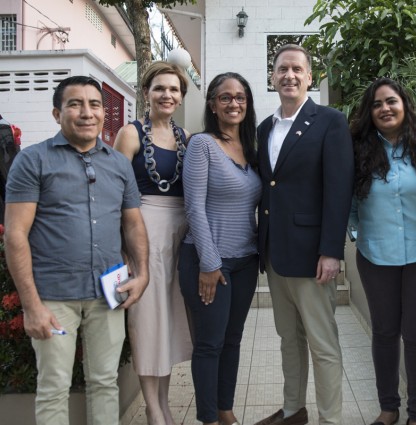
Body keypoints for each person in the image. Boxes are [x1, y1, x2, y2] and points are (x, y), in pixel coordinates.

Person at [4, 75, 149, 425]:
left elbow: (132, 224)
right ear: (57, 113)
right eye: (75, 104)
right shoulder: (33, 161)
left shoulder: (118, 165)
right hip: (53, 296)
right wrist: (31, 306)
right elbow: (15, 235)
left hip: (108, 291)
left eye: (94, 104)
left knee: (104, 383)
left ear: (103, 114)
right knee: (54, 387)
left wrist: (143, 273)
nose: (87, 112)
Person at [254, 44, 354, 425]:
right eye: (282, 69)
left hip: (313, 256)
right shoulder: (264, 128)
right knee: (288, 341)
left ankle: (330, 418)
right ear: (273, 77)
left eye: (297, 69)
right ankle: (294, 410)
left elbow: (338, 188)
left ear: (310, 77)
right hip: (276, 255)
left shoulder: (330, 121)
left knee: (322, 343)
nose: (289, 75)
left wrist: (331, 250)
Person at [348, 77, 416, 425]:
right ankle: (389, 409)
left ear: (405, 105)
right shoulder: (358, 151)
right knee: (385, 334)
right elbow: (350, 201)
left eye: (391, 101)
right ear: (368, 113)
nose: (385, 109)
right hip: (376, 256)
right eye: (376, 104)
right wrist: (357, 233)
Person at [179, 72, 261, 425]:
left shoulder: (252, 147)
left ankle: (226, 411)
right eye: (225, 97)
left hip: (245, 260)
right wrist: (209, 263)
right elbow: (193, 206)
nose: (234, 103)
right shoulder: (202, 144)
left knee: (233, 340)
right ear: (212, 104)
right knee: (210, 344)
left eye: (240, 97)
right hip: (208, 261)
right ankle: (209, 418)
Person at [113, 61, 192, 425]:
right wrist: (125, 249)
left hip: (179, 236)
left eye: (174, 90)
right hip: (143, 230)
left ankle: (164, 401)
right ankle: (152, 408)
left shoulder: (186, 137)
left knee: (169, 321)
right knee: (146, 319)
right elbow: (115, 193)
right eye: (160, 88)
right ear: (146, 92)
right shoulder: (130, 134)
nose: (167, 95)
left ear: (181, 96)